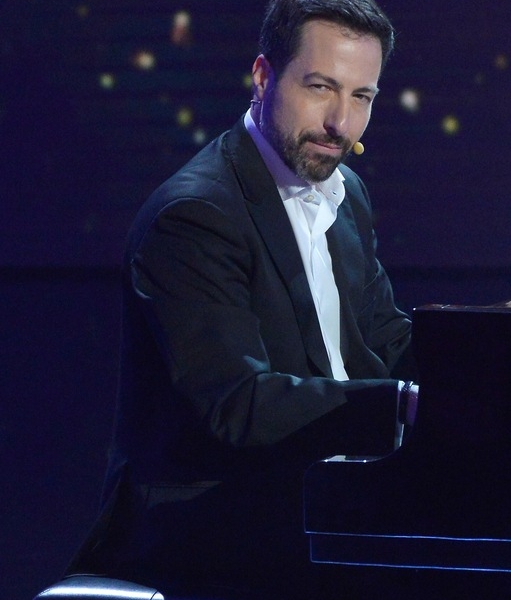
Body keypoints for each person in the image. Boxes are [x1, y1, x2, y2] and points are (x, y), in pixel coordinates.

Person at [67, 0, 418, 597]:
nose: (341, 122)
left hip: (321, 507)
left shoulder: (344, 192)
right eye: (320, 87)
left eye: (361, 97)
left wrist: (493, 359)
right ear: (262, 76)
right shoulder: (196, 215)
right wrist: (401, 406)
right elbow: (237, 404)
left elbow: (383, 336)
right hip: (209, 536)